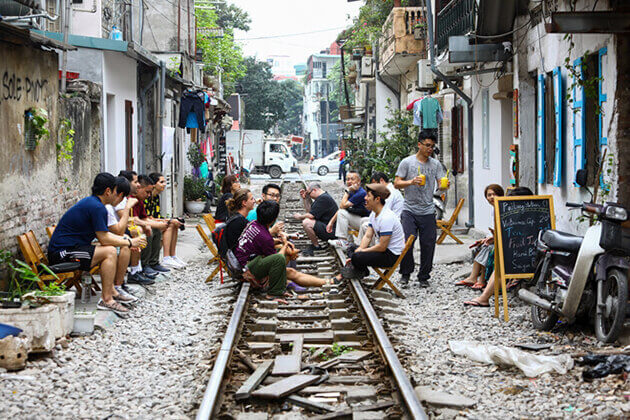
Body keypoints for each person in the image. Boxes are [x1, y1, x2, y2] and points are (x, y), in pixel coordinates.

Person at [48, 173, 146, 315]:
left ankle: (112, 291)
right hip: (63, 253)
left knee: (110, 248)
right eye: (115, 191)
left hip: (74, 248)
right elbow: (104, 238)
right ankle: (106, 299)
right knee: (109, 251)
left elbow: (106, 235)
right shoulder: (97, 207)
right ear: (108, 191)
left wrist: (126, 240)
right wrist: (130, 241)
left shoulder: (94, 203)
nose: (116, 195)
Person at [464, 186, 534, 307]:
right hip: (518, 253)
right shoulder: (514, 215)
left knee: (501, 265)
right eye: (488, 195)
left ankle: (483, 294)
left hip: (528, 255)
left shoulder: (533, 217)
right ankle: (481, 288)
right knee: (494, 255)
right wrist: (493, 238)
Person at [394, 130, 448, 288]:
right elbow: (397, 183)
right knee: (407, 242)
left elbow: (440, 185)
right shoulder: (407, 162)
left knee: (428, 244)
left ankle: (424, 276)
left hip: (428, 210)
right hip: (409, 209)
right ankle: (405, 273)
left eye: (432, 146)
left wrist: (444, 186)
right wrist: (411, 182)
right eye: (427, 145)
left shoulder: (436, 164)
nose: (430, 149)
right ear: (419, 144)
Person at [339, 183, 406, 280]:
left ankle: (361, 271)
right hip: (383, 250)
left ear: (377, 199)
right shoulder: (374, 214)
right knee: (351, 248)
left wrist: (361, 252)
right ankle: (359, 270)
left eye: (368, 196)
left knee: (357, 257)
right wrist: (360, 249)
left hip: (390, 255)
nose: (365, 198)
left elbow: (382, 247)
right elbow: (368, 236)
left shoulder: (386, 217)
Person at [233, 201, 292, 302]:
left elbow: (261, 242)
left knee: (279, 251)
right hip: (246, 269)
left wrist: (279, 241)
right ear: (273, 219)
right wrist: (285, 244)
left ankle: (281, 289)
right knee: (279, 258)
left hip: (245, 261)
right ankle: (273, 293)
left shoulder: (254, 224)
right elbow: (277, 258)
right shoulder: (265, 237)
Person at [455, 184, 504, 289]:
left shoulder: (502, 209)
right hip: (497, 239)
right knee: (481, 246)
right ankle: (474, 278)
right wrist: (486, 238)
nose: (492, 197)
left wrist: (491, 239)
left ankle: (480, 279)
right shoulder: (494, 209)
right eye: (489, 195)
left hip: (504, 241)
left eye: (495, 194)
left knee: (487, 248)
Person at [104, 176, 140, 302]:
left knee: (128, 241)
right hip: (78, 248)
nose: (121, 200)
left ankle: (121, 283)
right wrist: (127, 208)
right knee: (123, 246)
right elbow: (117, 230)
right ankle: (112, 290)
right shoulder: (106, 207)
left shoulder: (104, 205)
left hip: (97, 240)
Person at [116, 170, 156, 285]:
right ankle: (133, 272)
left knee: (138, 231)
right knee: (136, 232)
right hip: (115, 231)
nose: (138, 185)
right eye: (135, 182)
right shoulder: (120, 199)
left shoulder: (125, 198)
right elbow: (126, 219)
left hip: (119, 229)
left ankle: (137, 269)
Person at [131, 175, 171, 277]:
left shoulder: (140, 200)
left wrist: (156, 224)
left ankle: (154, 262)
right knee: (146, 229)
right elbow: (135, 220)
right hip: (129, 229)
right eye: (147, 192)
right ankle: (144, 264)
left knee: (155, 228)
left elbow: (144, 217)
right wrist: (150, 224)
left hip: (136, 225)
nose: (149, 195)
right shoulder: (131, 200)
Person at [147, 172, 186, 269]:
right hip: (147, 223)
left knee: (175, 223)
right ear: (154, 184)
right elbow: (148, 217)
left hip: (153, 221)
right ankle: (166, 257)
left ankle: (172, 256)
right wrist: (168, 221)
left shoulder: (156, 197)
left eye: (164, 182)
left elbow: (156, 216)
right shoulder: (147, 197)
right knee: (170, 224)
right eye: (161, 182)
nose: (164, 184)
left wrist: (170, 219)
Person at [326, 171, 370, 250]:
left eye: (352, 179)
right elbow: (342, 208)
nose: (349, 181)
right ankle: (349, 242)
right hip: (359, 219)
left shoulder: (361, 193)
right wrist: (331, 222)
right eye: (348, 179)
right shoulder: (353, 191)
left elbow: (342, 206)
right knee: (343, 214)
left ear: (359, 181)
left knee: (343, 214)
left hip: (366, 221)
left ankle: (343, 241)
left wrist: (347, 191)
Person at [357, 172, 404, 243]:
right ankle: (360, 246)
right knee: (363, 220)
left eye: (375, 184)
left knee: (365, 226)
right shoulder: (388, 190)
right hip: (388, 219)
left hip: (393, 223)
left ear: (381, 180)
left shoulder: (389, 192)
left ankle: (370, 247)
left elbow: (382, 210)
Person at [292, 183, 338, 256]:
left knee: (306, 222)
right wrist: (305, 198)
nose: (309, 195)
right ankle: (316, 245)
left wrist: (299, 217)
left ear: (314, 190)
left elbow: (310, 216)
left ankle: (316, 246)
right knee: (307, 221)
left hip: (331, 231)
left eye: (309, 193)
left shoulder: (323, 198)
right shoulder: (322, 197)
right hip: (328, 228)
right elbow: (310, 212)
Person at [220, 188, 256, 257]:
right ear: (244, 203)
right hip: (239, 260)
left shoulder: (236, 217)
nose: (254, 201)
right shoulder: (239, 221)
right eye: (251, 199)